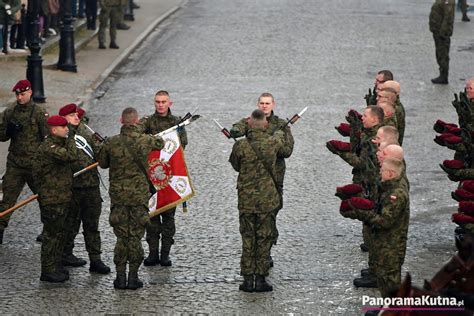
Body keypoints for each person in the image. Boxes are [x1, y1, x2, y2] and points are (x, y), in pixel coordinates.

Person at [97, 107, 164, 290]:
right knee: (135, 237)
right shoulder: (145, 140)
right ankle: (133, 278)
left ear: (121, 121)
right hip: (138, 197)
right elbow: (161, 143)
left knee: (121, 237)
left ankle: (120, 277)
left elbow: (102, 163)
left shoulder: (111, 142)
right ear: (136, 121)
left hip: (118, 197)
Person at [230, 93, 294, 266]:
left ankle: (266, 253)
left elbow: (287, 151)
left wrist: (270, 148)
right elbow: (235, 130)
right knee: (253, 225)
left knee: (270, 217)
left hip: (273, 178)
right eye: (262, 103)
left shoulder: (281, 125)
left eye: (268, 103)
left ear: (273, 104)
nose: (265, 106)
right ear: (258, 104)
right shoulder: (250, 119)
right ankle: (259, 260)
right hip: (252, 182)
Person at [229, 109, 285, 292]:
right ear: (265, 125)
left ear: (249, 125)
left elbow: (236, 165)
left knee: (247, 238)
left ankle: (247, 279)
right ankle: (260, 279)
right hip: (267, 200)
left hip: (246, 199)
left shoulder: (240, 146)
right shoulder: (273, 143)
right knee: (263, 238)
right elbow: (283, 145)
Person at [58, 104, 110, 274]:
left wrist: (106, 149)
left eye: (76, 114)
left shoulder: (87, 132)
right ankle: (65, 254)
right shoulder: (60, 134)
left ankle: (96, 259)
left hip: (91, 187)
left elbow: (100, 154)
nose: (76, 117)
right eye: (72, 115)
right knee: (69, 225)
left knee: (92, 226)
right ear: (64, 118)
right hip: (71, 188)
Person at [139, 90, 188, 267]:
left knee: (168, 218)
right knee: (152, 217)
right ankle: (153, 253)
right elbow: (138, 137)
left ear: (170, 103)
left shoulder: (176, 122)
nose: (160, 104)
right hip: (150, 176)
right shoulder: (147, 122)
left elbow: (183, 144)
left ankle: (165, 253)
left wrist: (178, 131)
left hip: (169, 176)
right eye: (158, 102)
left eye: (163, 102)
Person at [0, 80, 49, 244]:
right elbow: (2, 137)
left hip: (34, 165)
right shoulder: (10, 112)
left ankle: (48, 229)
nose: (20, 97)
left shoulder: (39, 113)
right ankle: (0, 229)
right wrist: (8, 131)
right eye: (17, 94)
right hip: (15, 163)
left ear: (30, 93)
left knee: (45, 197)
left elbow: (47, 140)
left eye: (22, 94)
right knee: (7, 198)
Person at [33, 115, 78, 283]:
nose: (66, 129)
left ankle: (56, 265)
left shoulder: (57, 143)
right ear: (54, 130)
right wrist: (71, 137)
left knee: (60, 233)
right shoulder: (49, 147)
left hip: (60, 196)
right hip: (52, 199)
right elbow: (71, 156)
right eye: (63, 127)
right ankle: (47, 270)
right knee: (51, 235)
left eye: (67, 127)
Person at [429, 0, 455, 84]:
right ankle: (442, 74)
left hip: (442, 33)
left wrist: (443, 32)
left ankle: (444, 76)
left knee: (443, 54)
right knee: (440, 54)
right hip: (438, 31)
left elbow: (448, 17)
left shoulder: (448, 1)